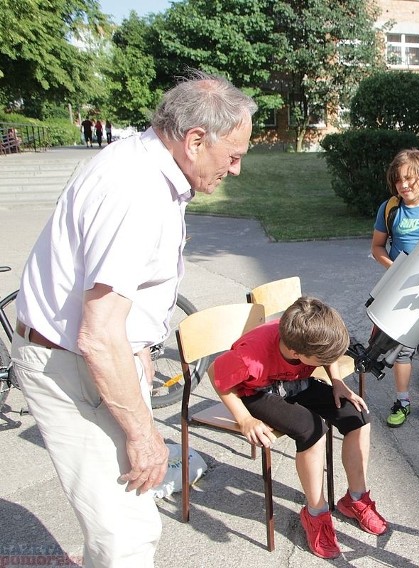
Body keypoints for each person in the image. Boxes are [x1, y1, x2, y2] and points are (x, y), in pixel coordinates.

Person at [11, 70, 257, 567]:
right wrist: (143, 433)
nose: (236, 171)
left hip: (93, 359)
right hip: (75, 364)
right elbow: (99, 336)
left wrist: (141, 345)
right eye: (233, 156)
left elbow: (114, 309)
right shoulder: (137, 192)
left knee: (125, 520)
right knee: (125, 535)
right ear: (194, 140)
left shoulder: (147, 169)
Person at [211, 296, 387, 559]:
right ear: (296, 353)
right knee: (312, 430)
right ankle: (316, 513)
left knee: (357, 415)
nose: (327, 359)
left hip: (296, 382)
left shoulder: (309, 339)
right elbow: (218, 377)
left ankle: (355, 498)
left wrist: (337, 381)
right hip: (258, 392)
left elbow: (327, 353)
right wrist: (245, 419)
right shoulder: (250, 357)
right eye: (320, 357)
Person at [370, 148, 419, 428]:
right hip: (400, 290)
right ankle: (402, 401)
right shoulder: (390, 208)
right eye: (398, 180)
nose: (403, 185)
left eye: (409, 179)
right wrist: (395, 268)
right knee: (401, 348)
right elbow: (377, 247)